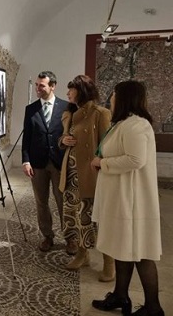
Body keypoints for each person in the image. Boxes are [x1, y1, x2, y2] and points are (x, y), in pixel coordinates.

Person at [91, 81, 163, 316]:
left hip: (132, 203)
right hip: (120, 199)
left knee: (140, 253)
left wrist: (103, 163)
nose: (110, 98)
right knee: (122, 249)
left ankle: (153, 307)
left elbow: (135, 160)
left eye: (113, 95)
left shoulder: (136, 125)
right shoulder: (123, 123)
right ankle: (121, 295)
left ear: (124, 98)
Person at [58, 75, 113, 280]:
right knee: (75, 219)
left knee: (96, 220)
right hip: (71, 174)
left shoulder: (101, 113)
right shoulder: (70, 113)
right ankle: (82, 254)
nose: (67, 93)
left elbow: (107, 146)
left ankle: (109, 263)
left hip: (91, 175)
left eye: (71, 90)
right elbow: (61, 139)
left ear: (81, 91)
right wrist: (64, 139)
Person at [21, 71, 71, 253]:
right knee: (41, 202)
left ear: (52, 86)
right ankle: (47, 236)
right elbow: (27, 138)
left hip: (60, 163)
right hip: (37, 164)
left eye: (41, 85)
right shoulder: (31, 109)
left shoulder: (67, 108)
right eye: (36, 85)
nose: (38, 88)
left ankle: (70, 238)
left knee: (63, 202)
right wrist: (26, 161)